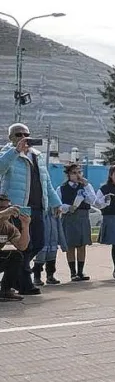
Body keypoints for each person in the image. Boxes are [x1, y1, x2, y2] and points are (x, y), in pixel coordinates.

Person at [0, 123, 68, 296]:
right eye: (18, 134)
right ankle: (24, 283)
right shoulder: (7, 153)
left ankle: (15, 276)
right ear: (11, 138)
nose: (23, 137)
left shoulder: (37, 156)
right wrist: (15, 151)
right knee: (20, 246)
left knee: (37, 244)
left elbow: (47, 183)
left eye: (26, 134)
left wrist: (55, 203)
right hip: (16, 208)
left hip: (37, 208)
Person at [60, 164, 102, 281]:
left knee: (82, 245)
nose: (77, 175)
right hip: (69, 217)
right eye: (74, 173)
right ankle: (73, 272)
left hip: (83, 217)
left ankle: (80, 271)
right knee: (70, 245)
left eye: (79, 172)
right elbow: (58, 204)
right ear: (68, 175)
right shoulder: (62, 188)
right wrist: (68, 208)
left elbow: (93, 200)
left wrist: (87, 185)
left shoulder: (85, 186)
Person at [0, 195, 31, 301]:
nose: (7, 210)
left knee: (16, 255)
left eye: (8, 207)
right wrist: (5, 212)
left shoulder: (8, 227)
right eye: (2, 207)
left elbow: (22, 246)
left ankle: (6, 290)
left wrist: (25, 225)